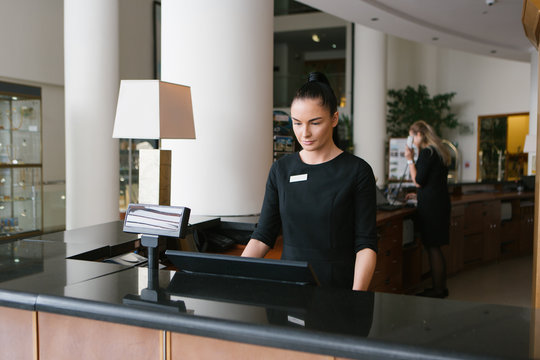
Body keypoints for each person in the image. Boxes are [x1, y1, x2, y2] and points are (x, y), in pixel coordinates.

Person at [241, 72, 377, 291]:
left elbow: (366, 245)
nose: (305, 133)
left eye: (315, 123)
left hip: (338, 291)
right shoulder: (281, 170)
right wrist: (232, 276)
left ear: (334, 119)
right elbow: (262, 237)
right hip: (289, 289)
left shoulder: (357, 171)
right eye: (297, 123)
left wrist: (356, 297)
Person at [405, 120, 451, 298]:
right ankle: (441, 287)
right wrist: (419, 196)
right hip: (439, 204)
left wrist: (410, 159)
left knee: (433, 248)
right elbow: (434, 184)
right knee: (435, 247)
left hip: (432, 208)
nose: (411, 141)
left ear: (419, 135)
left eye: (412, 136)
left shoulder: (426, 153)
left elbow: (418, 181)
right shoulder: (438, 152)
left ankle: (438, 290)